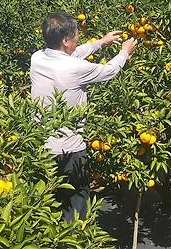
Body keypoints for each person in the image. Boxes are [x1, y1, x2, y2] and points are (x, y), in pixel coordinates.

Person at [30, 11, 137, 221]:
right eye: (76, 34)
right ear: (66, 40)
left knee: (47, 203)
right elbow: (109, 71)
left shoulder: (37, 58)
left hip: (41, 147)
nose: (78, 37)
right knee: (76, 205)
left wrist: (101, 42)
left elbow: (71, 55)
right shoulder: (76, 68)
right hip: (70, 151)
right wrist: (124, 52)